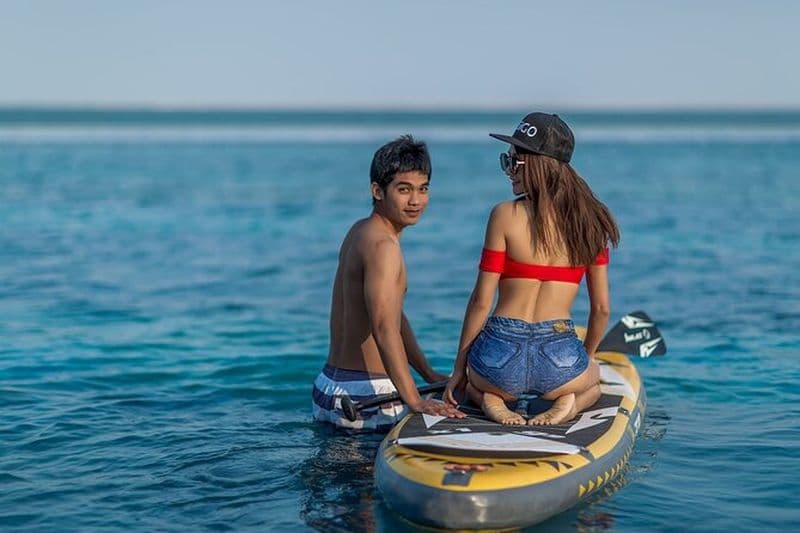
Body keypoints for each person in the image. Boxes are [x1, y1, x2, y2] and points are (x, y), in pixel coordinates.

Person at [444, 113, 619, 426]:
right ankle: (570, 401)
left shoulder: (504, 215)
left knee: (474, 382)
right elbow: (602, 310)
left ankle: (491, 400)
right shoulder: (591, 224)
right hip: (559, 357)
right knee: (593, 381)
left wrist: (460, 370)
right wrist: (584, 359)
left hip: (499, 353)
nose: (508, 171)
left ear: (538, 165)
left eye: (514, 161)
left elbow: (481, 302)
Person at [313, 135, 464, 431]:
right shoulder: (385, 247)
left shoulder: (359, 231)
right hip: (367, 397)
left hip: (330, 386)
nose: (415, 201)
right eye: (403, 189)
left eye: (423, 189)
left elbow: (393, 316)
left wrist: (428, 373)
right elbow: (383, 326)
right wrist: (415, 400)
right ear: (377, 190)